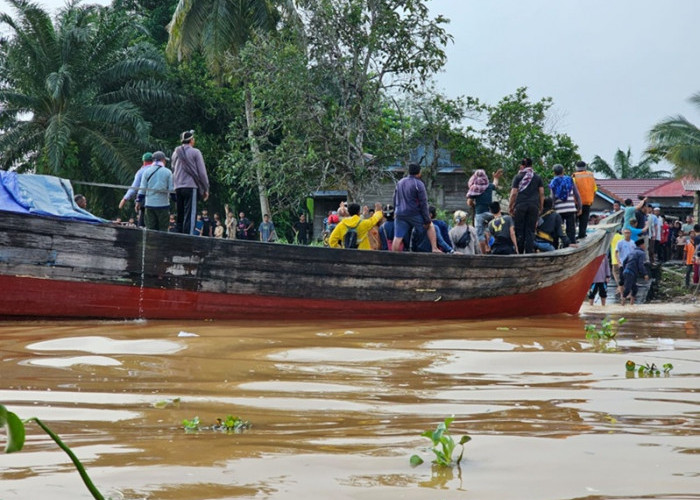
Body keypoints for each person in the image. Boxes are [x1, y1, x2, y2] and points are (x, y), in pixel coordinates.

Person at [391, 163, 438, 252]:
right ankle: (434, 248)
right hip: (413, 213)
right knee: (431, 226)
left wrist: (395, 211)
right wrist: (427, 219)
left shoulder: (400, 182)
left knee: (397, 237)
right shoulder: (418, 184)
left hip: (400, 213)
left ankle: (394, 256)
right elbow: (423, 203)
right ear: (419, 172)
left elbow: (394, 197)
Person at [172, 129, 209, 235]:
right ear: (191, 140)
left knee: (180, 212)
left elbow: (173, 169)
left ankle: (179, 234)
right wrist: (206, 188)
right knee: (190, 214)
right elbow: (202, 173)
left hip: (178, 186)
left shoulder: (175, 153)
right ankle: (188, 237)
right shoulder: (195, 152)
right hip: (190, 186)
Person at [508, 158, 544, 254]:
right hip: (534, 206)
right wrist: (541, 206)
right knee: (530, 231)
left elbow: (514, 193)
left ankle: (519, 253)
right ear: (531, 166)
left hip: (520, 206)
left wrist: (510, 206)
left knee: (519, 231)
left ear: (522, 166)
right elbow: (541, 193)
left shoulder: (518, 177)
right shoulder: (537, 177)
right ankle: (529, 253)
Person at [467, 168, 503, 254]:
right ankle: (489, 247)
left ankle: (483, 254)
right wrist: (496, 177)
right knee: (488, 229)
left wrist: (473, 204)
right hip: (490, 213)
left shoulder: (474, 188)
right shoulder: (489, 186)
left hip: (479, 214)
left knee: (479, 234)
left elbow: (469, 202)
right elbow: (495, 184)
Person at [136, 151, 173, 232]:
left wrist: (138, 201)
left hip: (149, 205)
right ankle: (161, 244)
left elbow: (142, 189)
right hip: (163, 205)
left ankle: (151, 244)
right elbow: (172, 190)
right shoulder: (168, 172)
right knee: (163, 230)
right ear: (163, 160)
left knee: (150, 230)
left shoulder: (146, 172)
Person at [549, 164, 581, 245]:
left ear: (554, 173)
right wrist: (580, 207)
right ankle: (572, 243)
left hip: (559, 210)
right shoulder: (569, 180)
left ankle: (557, 245)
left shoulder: (553, 182)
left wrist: (551, 208)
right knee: (571, 229)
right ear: (563, 171)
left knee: (558, 229)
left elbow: (552, 197)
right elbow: (577, 194)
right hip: (570, 209)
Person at [119, 152, 152, 226]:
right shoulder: (161, 170)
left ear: (144, 161)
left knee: (142, 222)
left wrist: (125, 199)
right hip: (159, 201)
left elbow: (134, 187)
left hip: (144, 201)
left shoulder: (141, 172)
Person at [572, 160, 597, 240]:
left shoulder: (574, 176)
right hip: (588, 201)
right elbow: (595, 189)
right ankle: (582, 235)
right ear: (585, 167)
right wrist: (592, 199)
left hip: (577, 202)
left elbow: (572, 190)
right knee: (584, 219)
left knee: (574, 220)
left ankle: (572, 236)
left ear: (576, 167)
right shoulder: (591, 175)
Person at [620, 239, 649, 306]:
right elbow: (640, 265)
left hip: (627, 271)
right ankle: (622, 304)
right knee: (627, 289)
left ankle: (631, 305)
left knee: (635, 289)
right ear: (641, 245)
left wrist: (625, 270)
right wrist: (645, 274)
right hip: (631, 272)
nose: (645, 246)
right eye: (644, 245)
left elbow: (624, 262)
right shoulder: (641, 253)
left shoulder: (631, 252)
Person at [615, 228, 636, 295]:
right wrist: (618, 262)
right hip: (622, 262)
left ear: (630, 234)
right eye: (625, 232)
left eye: (628, 233)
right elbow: (616, 252)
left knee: (630, 279)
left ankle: (629, 294)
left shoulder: (633, 243)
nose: (627, 234)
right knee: (622, 280)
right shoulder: (620, 242)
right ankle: (622, 294)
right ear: (623, 233)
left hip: (631, 263)